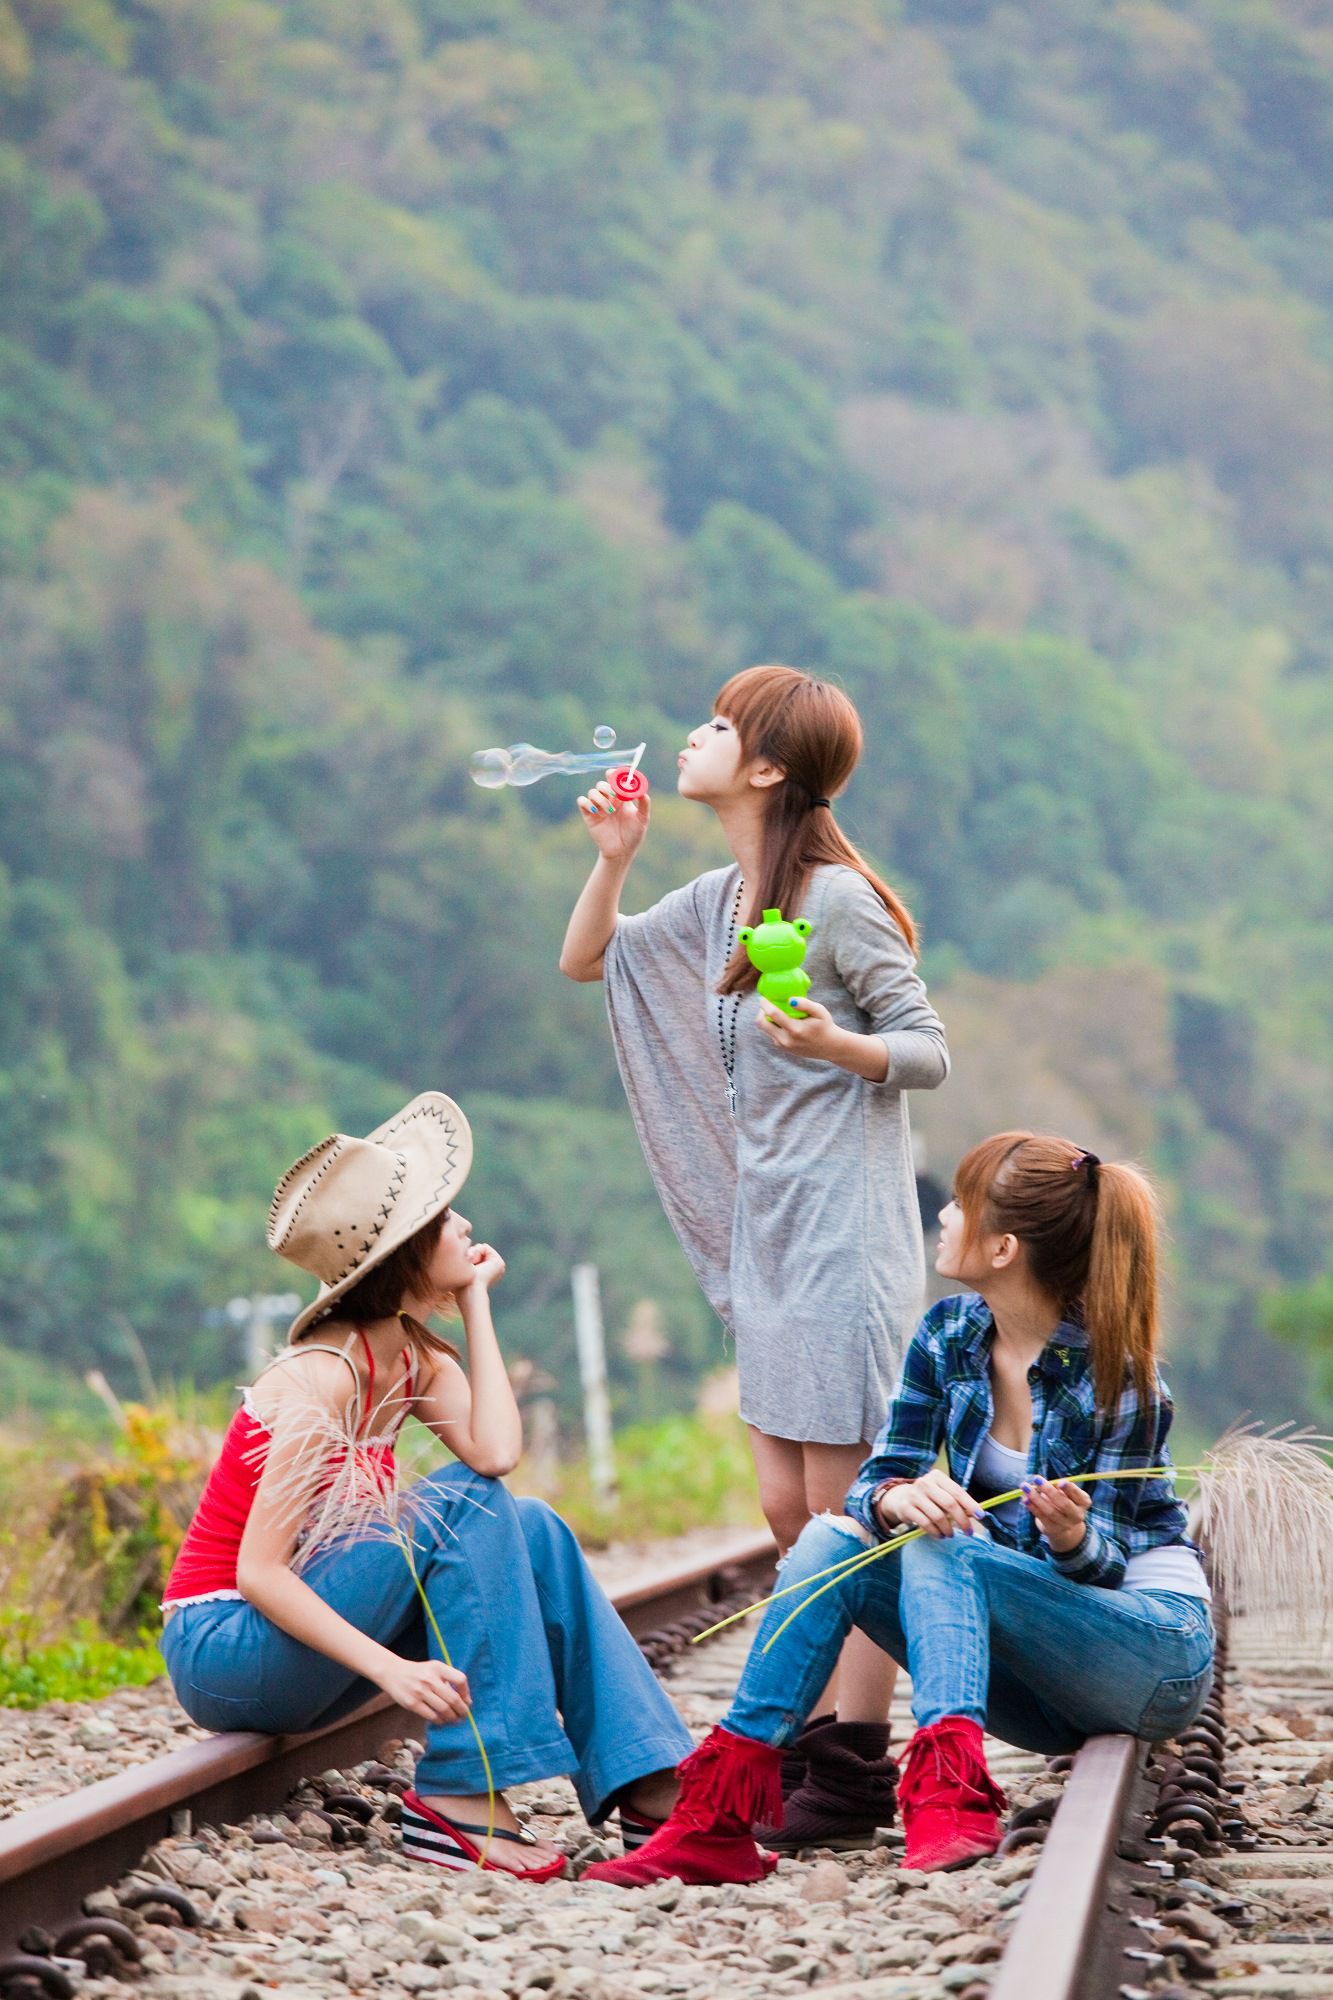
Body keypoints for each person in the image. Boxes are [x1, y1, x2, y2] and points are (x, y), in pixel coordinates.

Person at [584, 1130, 1215, 1886]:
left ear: (1004, 1247)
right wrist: (896, 1496)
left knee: (944, 1545)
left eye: (960, 1203)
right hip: (1044, 1684)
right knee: (828, 1541)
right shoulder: (948, 1335)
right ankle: (712, 1821)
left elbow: (1105, 1568)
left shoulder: (1120, 1380)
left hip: (1148, 1655)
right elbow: (877, 1475)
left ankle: (948, 1795)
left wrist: (1070, 1534)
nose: (943, 1216)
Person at [560, 664, 949, 1847]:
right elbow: (591, 959)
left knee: (847, 1513)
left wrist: (838, 1040)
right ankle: (819, 1740)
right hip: (768, 1235)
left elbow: (926, 1048)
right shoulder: (725, 897)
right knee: (789, 1505)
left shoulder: (834, 901)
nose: (693, 734)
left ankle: (845, 1766)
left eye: (718, 726)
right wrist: (615, 857)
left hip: (844, 1238)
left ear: (768, 767)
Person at [159, 1092, 691, 1880]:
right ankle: (461, 1795)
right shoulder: (320, 1377)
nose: (467, 1225)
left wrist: (475, 1302)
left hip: (296, 1637)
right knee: (464, 1505)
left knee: (532, 1522)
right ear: (405, 1251)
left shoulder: (407, 1358)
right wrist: (391, 1671)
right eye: (446, 1217)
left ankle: (650, 1783)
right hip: (226, 1649)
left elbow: (495, 1453)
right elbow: (257, 1574)